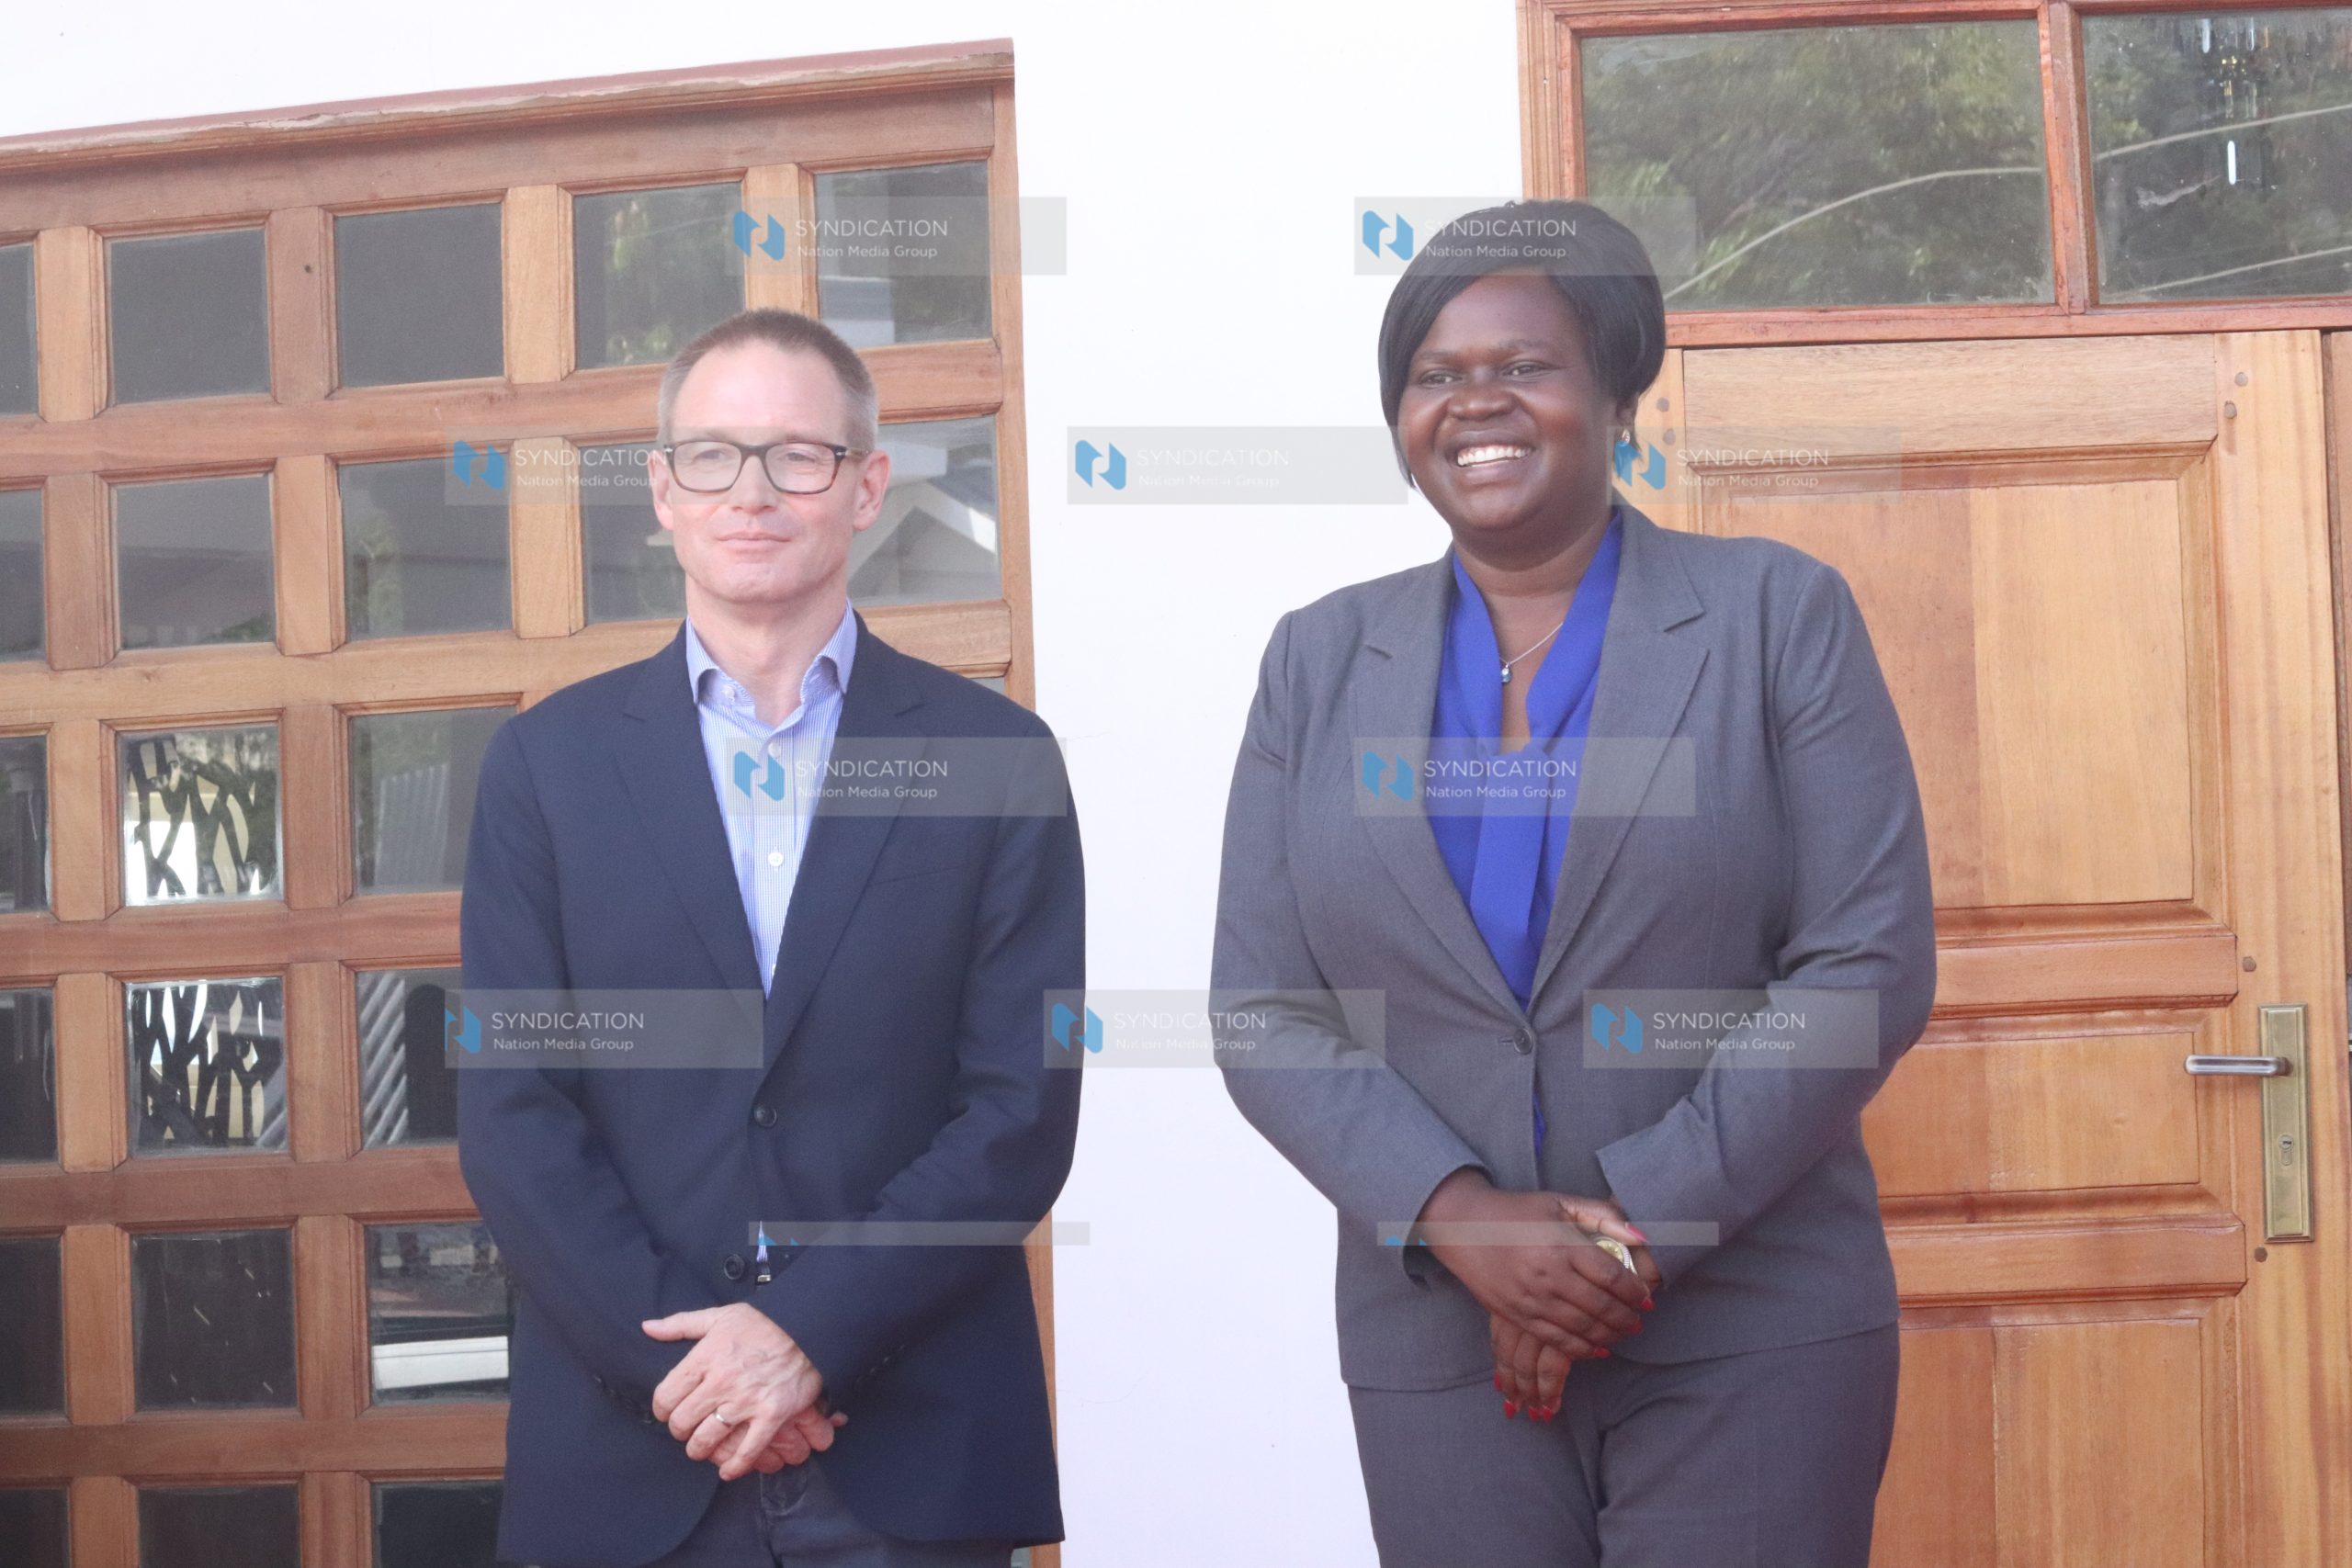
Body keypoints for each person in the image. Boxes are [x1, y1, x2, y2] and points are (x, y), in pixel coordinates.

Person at [1211, 199, 1937, 1567]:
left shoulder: (1777, 615)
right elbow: (1263, 1010)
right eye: (1434, 374)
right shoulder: (1316, 662)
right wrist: (1463, 1221)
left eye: (1524, 366)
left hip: (1750, 1330)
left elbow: (1866, 968)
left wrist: (1626, 1235)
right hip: (1437, 1340)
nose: (1475, 401)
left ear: (1612, 393)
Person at [458, 308, 1081, 1568]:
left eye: (797, 456)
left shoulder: (995, 759)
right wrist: (700, 1375)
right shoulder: (548, 766)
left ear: (865, 487)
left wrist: (805, 1338)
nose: (753, 491)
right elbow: (514, 1114)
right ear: (661, 491)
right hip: (637, 1453)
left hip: (913, 1448)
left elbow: (1018, 1112)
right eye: (712, 456)